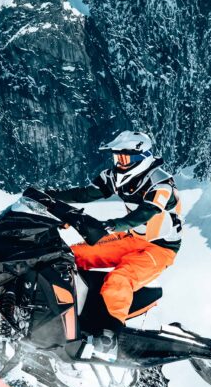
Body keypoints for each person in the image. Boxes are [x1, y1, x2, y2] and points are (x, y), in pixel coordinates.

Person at [45, 131, 183, 325]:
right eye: (117, 157)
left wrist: (113, 224)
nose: (120, 162)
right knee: (72, 254)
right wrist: (50, 197)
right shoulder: (115, 175)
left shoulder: (161, 183)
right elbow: (85, 194)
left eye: (124, 157)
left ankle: (111, 334)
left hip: (160, 248)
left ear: (141, 157)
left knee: (119, 280)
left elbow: (146, 212)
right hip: (133, 238)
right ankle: (64, 310)